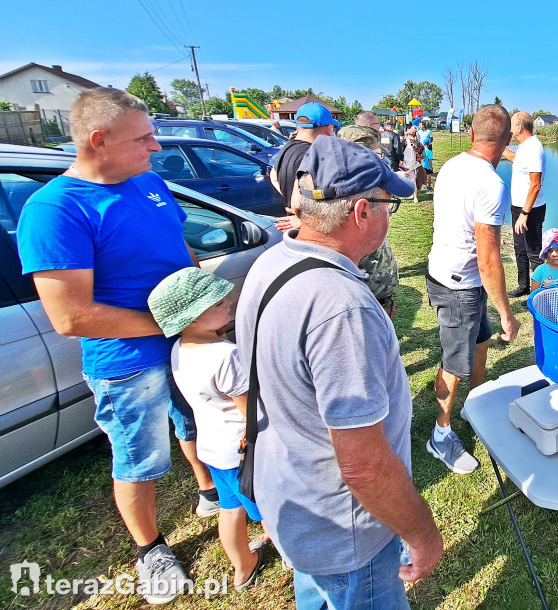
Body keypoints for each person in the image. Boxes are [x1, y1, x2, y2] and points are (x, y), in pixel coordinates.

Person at [16, 87, 217, 605]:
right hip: (128, 362)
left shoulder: (147, 181)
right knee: (138, 457)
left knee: (195, 422)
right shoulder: (54, 209)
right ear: (99, 140)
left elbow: (179, 245)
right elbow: (70, 314)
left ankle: (209, 493)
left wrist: (198, 300)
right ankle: (151, 550)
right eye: (143, 137)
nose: (156, 146)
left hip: (182, 341)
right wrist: (173, 324)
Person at [235, 136, 443, 609]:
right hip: (346, 531)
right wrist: (424, 535)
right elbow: (363, 465)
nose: (393, 215)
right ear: (362, 212)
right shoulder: (343, 307)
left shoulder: (273, 262)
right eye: (390, 204)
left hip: (296, 503)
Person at [148, 268, 269, 591]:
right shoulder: (225, 355)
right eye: (215, 303)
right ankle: (292, 556)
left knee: (230, 509)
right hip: (244, 451)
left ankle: (242, 566)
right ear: (190, 319)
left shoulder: (180, 349)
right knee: (270, 510)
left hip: (213, 450)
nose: (228, 301)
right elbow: (250, 411)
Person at [426, 104, 521, 474]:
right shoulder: (492, 184)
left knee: (480, 340)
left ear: (471, 135)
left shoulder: (451, 164)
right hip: (460, 285)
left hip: (444, 273)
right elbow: (488, 259)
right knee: (454, 364)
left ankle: (474, 406)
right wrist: (507, 313)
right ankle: (441, 434)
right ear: (507, 141)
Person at [337, 124, 402, 318]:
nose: (380, 159)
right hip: (362, 305)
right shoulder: (341, 192)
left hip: (376, 298)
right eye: (376, 155)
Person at [502, 111, 547, 298]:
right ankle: (523, 286)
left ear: (520, 127)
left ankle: (537, 295)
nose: (510, 130)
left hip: (531, 209)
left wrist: (525, 213)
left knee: (533, 253)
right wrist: (499, 145)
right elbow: (515, 159)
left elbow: (536, 184)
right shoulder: (524, 147)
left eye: (511, 126)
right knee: (519, 248)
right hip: (519, 207)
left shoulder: (534, 147)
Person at [270, 102, 339, 218]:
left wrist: (289, 197)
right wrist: (299, 215)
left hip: (292, 222)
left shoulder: (287, 147)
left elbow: (273, 175)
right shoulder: (314, 155)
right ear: (329, 128)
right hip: (309, 224)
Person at [401, 125, 427, 203]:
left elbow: (400, 153)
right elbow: (424, 155)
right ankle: (415, 198)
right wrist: (419, 159)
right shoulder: (419, 143)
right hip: (413, 165)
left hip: (404, 165)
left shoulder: (404, 142)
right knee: (413, 181)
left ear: (408, 134)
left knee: (403, 180)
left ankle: (407, 194)